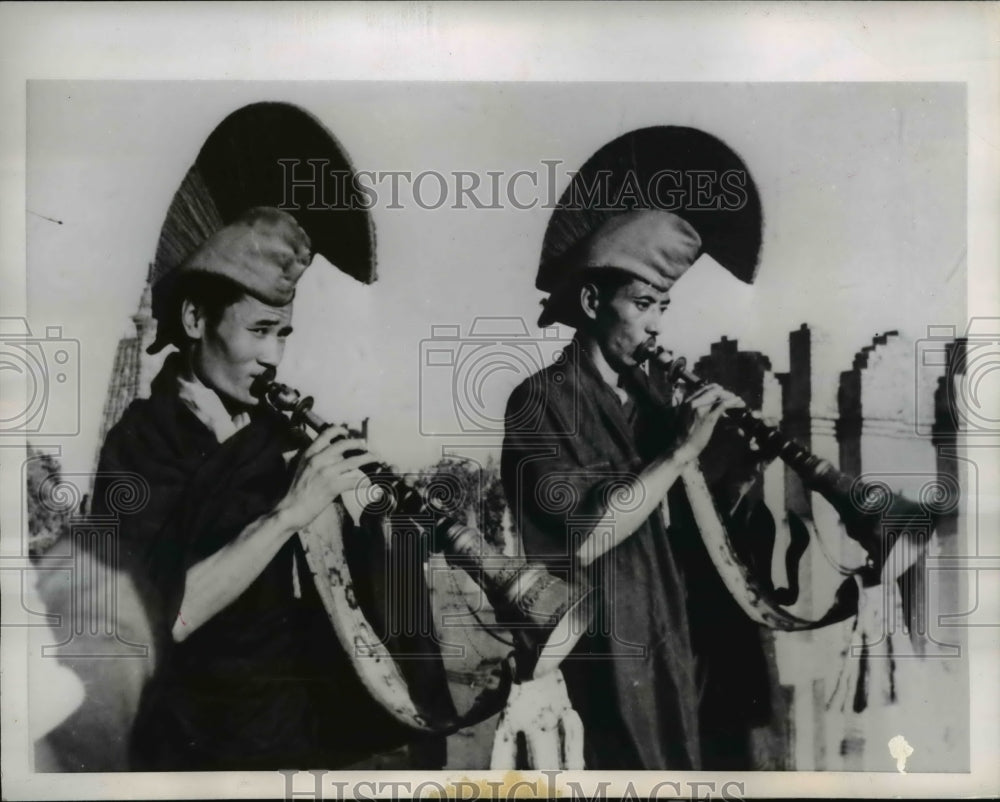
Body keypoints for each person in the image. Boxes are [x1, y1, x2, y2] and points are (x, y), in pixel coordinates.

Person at [93, 206, 450, 770]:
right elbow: (155, 620)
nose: (273, 358)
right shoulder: (140, 444)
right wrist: (289, 512)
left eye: (283, 334)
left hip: (294, 734)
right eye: (259, 331)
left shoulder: (279, 434)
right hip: (194, 748)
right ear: (194, 318)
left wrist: (376, 524)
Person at [501, 209, 772, 770]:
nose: (656, 327)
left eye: (662, 308)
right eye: (643, 305)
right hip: (601, 661)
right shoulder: (541, 400)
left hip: (676, 648)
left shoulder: (654, 401)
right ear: (592, 302)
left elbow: (680, 531)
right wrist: (679, 453)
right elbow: (587, 538)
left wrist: (743, 473)